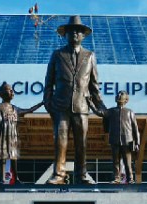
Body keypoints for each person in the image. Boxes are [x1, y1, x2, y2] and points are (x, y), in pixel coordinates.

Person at [43, 15, 106, 184]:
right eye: (71, 31)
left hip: (82, 106)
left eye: (78, 32)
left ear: (83, 35)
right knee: (60, 141)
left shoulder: (90, 55)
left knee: (82, 143)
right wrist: (48, 103)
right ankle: (59, 174)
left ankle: (81, 174)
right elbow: (48, 81)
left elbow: (94, 85)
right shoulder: (57, 55)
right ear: (66, 34)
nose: (75, 34)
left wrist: (101, 106)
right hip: (60, 105)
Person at [0, 81, 41, 184]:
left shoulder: (15, 109)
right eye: (10, 90)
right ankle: (2, 179)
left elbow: (29, 110)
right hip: (2, 136)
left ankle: (16, 178)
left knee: (13, 157)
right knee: (2, 157)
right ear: (4, 93)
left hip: (12, 136)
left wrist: (42, 103)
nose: (12, 92)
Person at [103, 91, 141, 183]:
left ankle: (130, 179)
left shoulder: (129, 112)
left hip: (127, 141)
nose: (119, 96)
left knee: (127, 162)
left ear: (126, 100)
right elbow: (105, 123)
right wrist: (91, 104)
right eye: (118, 94)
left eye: (122, 95)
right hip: (114, 140)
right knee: (115, 162)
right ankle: (116, 178)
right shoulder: (111, 111)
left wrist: (137, 143)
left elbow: (135, 128)